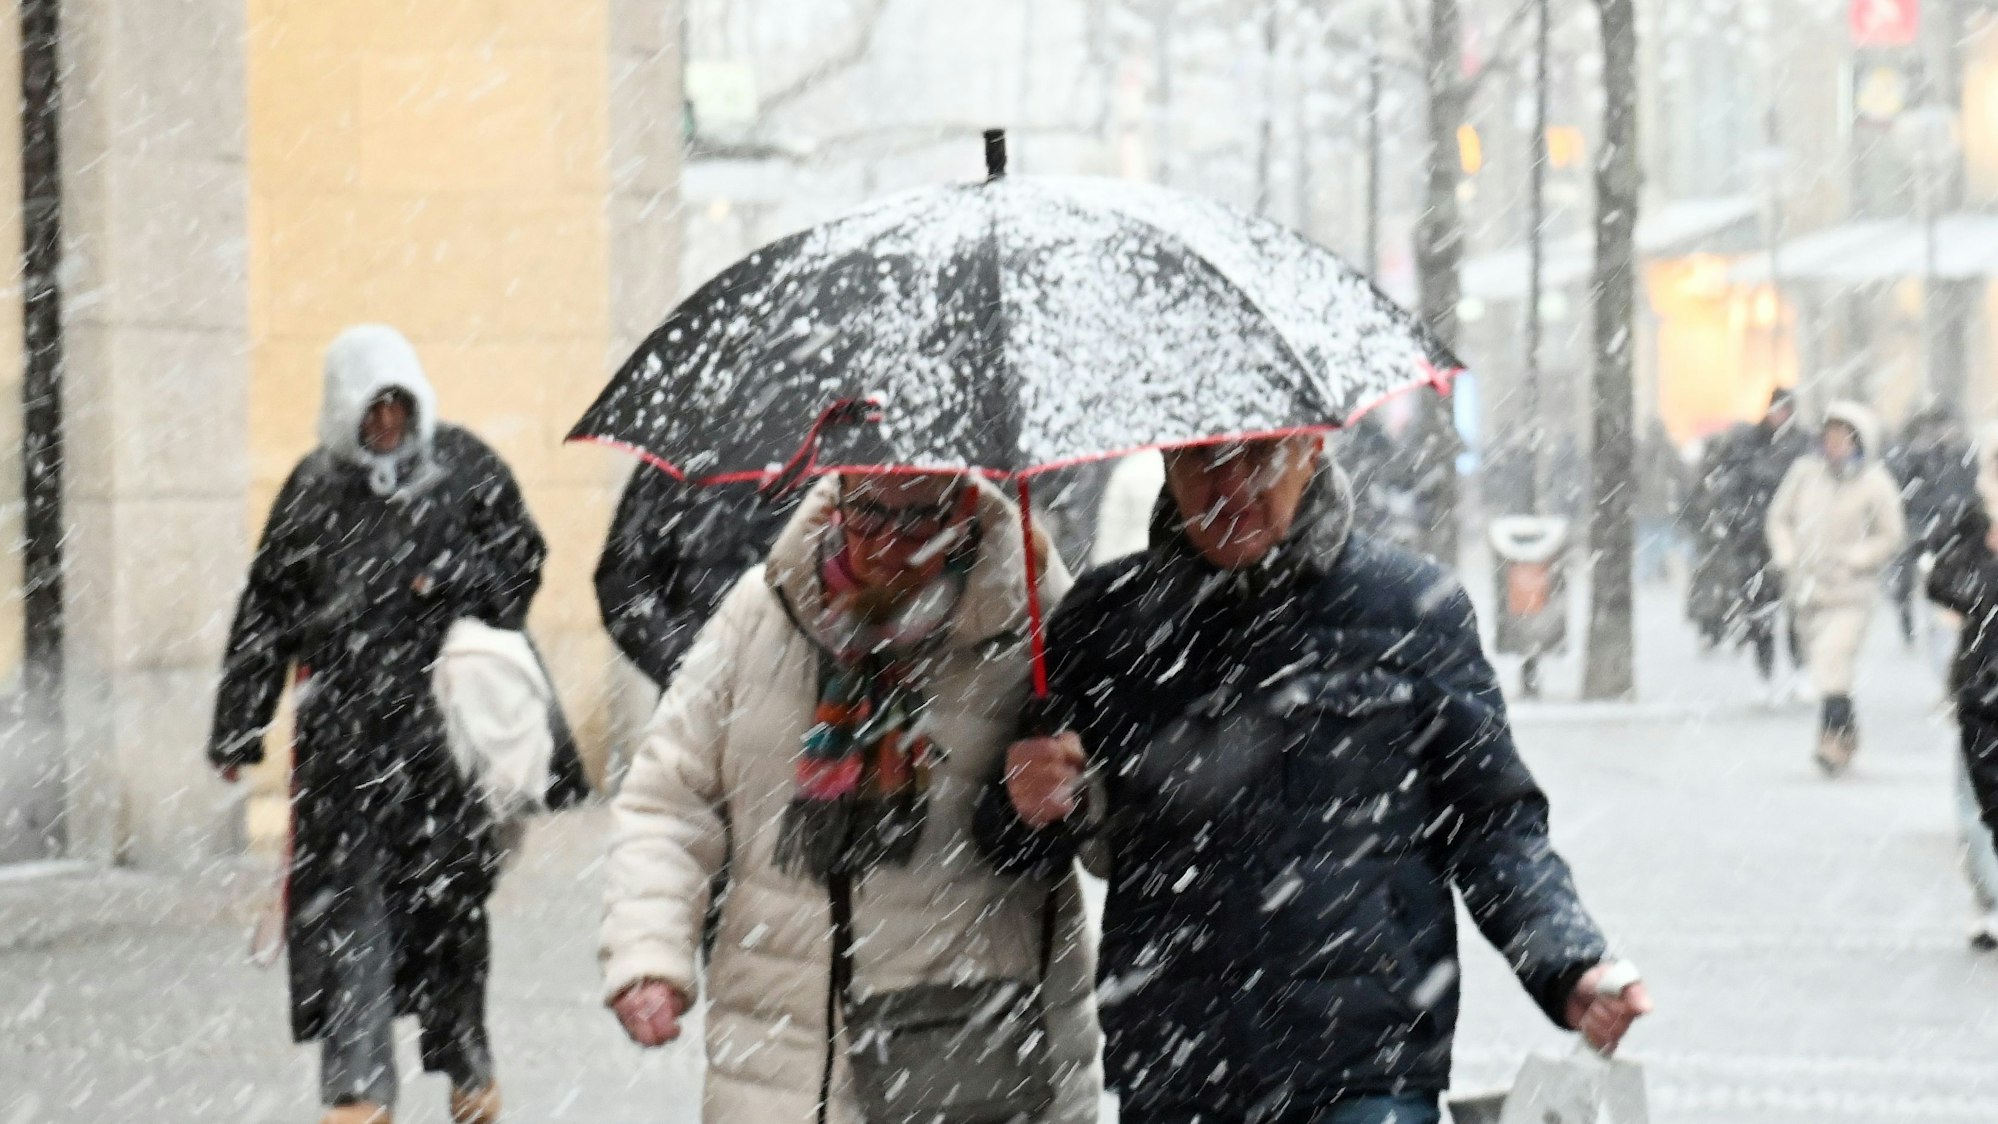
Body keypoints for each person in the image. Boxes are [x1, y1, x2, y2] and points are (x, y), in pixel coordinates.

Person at [975, 435, 1650, 1124]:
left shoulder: (1410, 608)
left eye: (1259, 456)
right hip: (1178, 1068)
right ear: (1166, 459)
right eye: (1203, 459)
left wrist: (1567, 960)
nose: (1231, 485)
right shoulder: (1106, 619)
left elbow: (1491, 820)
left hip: (1365, 1066)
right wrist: (1021, 805)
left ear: (1311, 446)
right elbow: (1018, 846)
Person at [599, 472, 1102, 1123]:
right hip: (781, 1067)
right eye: (868, 512)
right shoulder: (762, 612)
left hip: (970, 1061)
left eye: (918, 518)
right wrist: (649, 949)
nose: (888, 542)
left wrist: (1071, 792)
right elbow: (669, 798)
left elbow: (1120, 824)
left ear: (965, 506)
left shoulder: (1034, 618)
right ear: (837, 497)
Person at [209, 325, 580, 1124]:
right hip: (343, 751)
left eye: (397, 406)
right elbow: (266, 610)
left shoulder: (465, 466)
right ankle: (359, 1090)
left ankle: (468, 1066)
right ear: (342, 409)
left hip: (441, 750)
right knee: (350, 915)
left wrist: (454, 577)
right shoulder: (313, 489)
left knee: (449, 918)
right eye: (371, 408)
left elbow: (522, 562)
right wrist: (239, 727)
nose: (385, 422)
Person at [1766, 401, 1907, 776]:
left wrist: (1856, 557)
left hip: (1850, 593)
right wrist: (1787, 554)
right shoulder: (1804, 474)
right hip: (1806, 591)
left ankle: (1829, 739)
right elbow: (1779, 518)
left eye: (1842, 437)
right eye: (1829, 436)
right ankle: (1847, 732)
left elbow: (1891, 534)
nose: (1833, 444)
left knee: (1833, 660)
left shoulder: (1875, 483)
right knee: (1828, 669)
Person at [595, 470, 802, 692]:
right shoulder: (680, 465)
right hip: (699, 681)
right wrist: (686, 663)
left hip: (797, 684)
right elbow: (622, 579)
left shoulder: (820, 468)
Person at [1684, 388, 1810, 687]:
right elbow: (1729, 486)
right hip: (1754, 541)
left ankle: (1799, 669)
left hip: (1794, 541)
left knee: (1797, 609)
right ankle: (1765, 673)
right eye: (1776, 410)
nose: (1779, 417)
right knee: (1759, 612)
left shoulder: (1803, 446)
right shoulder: (1749, 445)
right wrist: (1741, 519)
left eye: (1784, 410)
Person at [1923, 502, 1998, 949]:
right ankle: (1991, 900)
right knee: (1977, 806)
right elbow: (1941, 585)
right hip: (1982, 697)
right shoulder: (1981, 559)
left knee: (1979, 805)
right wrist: (1973, 539)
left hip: (1981, 694)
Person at [1886, 406, 1980, 644]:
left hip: (1953, 526)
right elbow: (1904, 490)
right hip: (1921, 525)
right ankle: (1908, 621)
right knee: (1906, 577)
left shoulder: (1963, 456)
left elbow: (1972, 490)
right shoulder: (1917, 456)